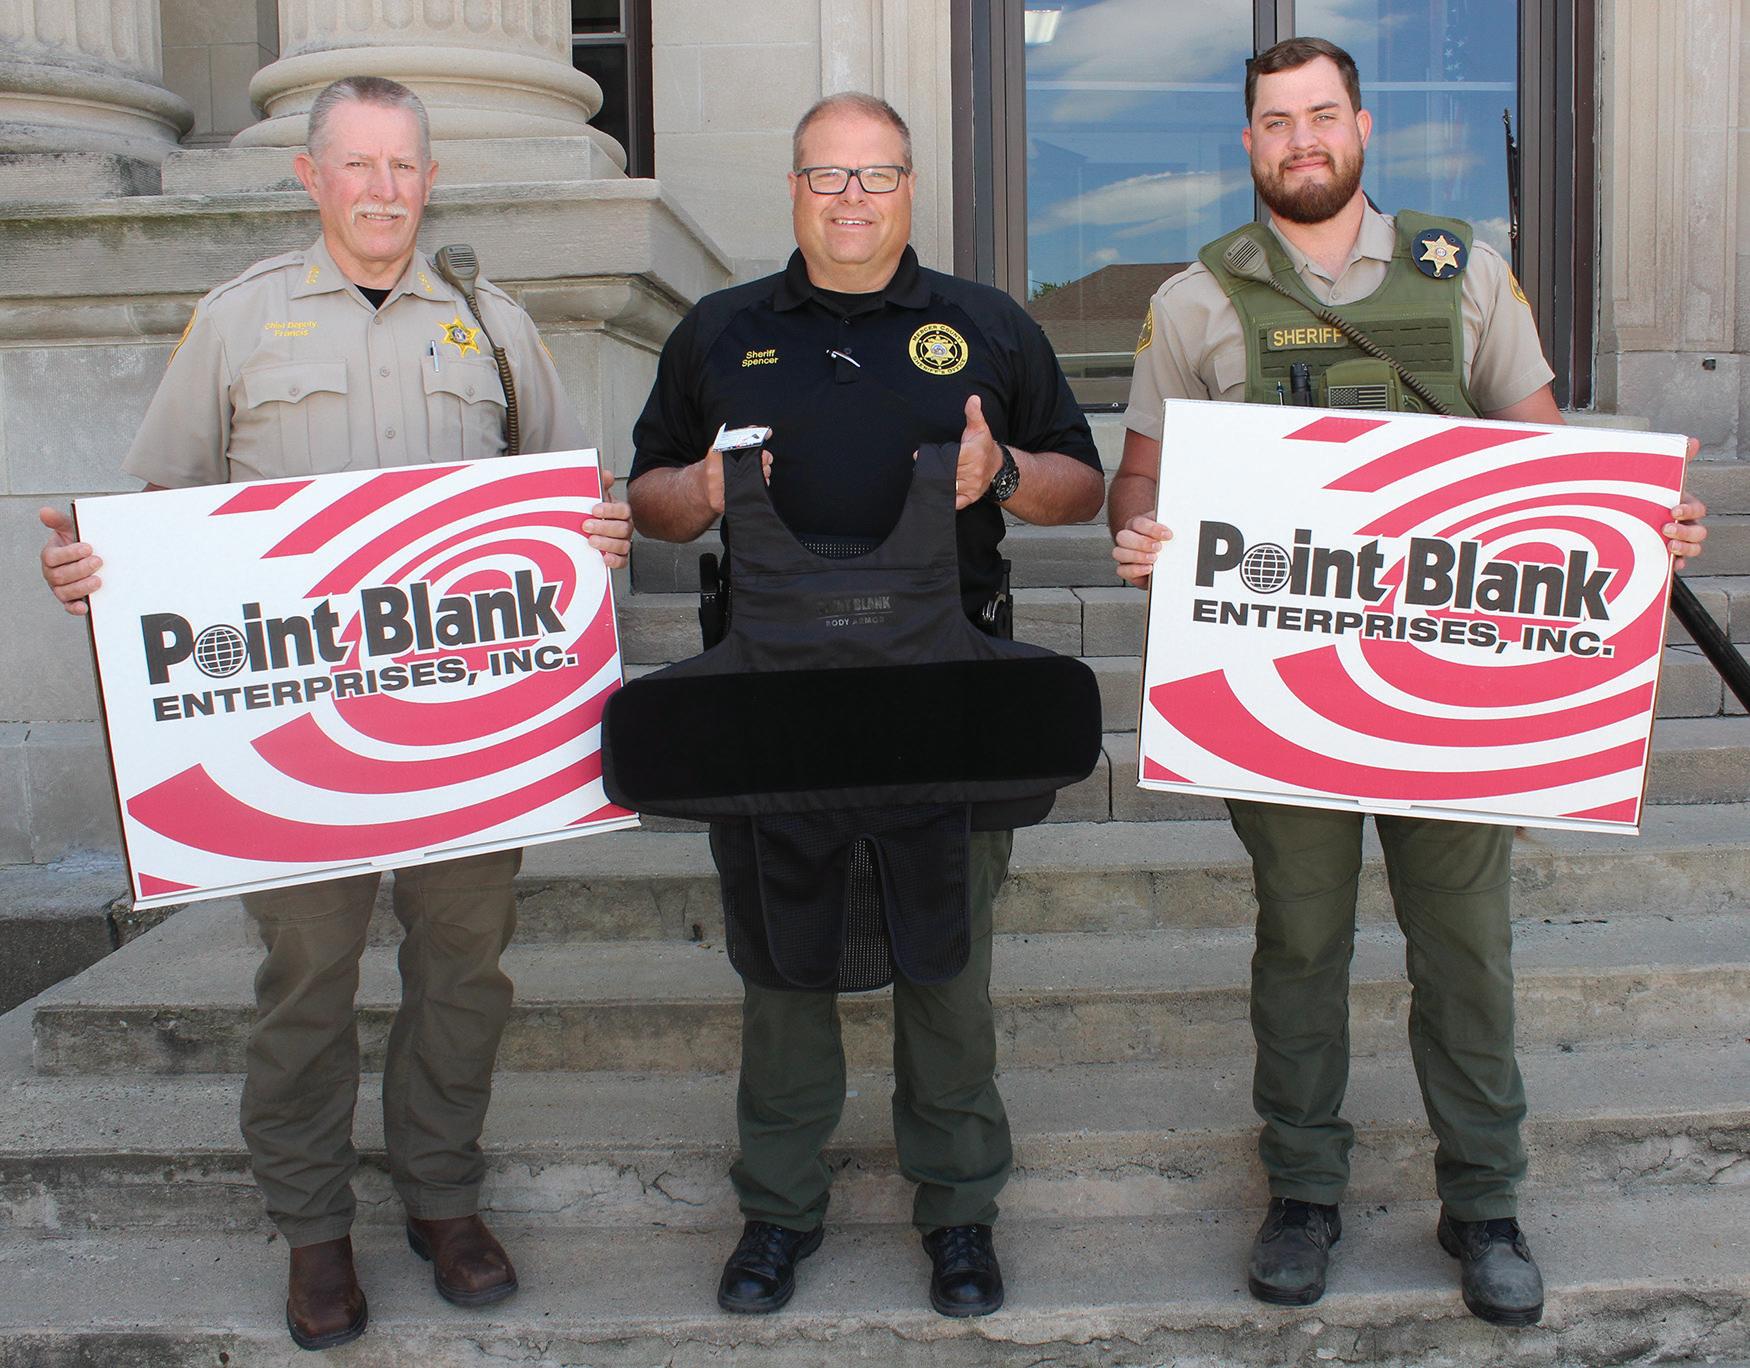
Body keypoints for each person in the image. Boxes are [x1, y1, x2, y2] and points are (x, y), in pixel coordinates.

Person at [1107, 37, 1709, 1328]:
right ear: (1250, 142)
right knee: (1300, 944)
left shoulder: (1462, 273)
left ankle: (1483, 1201)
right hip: (1278, 691)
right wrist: (1141, 534)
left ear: (1362, 128)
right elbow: (1139, 481)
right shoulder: (1196, 301)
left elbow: (1542, 460)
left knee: (1465, 950)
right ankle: (1301, 1192)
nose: (1301, 140)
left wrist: (1630, 523)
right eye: (1277, 121)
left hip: (1451, 695)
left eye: (1322, 115)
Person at [37, 75, 633, 1352]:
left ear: (431, 179)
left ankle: (443, 1198)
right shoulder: (238, 321)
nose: (381, 188)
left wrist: (599, 536)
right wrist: (97, 570)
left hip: (469, 736)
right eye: (357, 164)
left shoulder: (491, 324)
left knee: (463, 971)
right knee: (305, 980)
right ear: (311, 177)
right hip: (294, 739)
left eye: (403, 165)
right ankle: (312, 1228)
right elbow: (160, 520)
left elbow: (570, 503)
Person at [627, 91, 1104, 1319]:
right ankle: (778, 1211)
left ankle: (958, 1211)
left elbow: (1081, 486)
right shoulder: (720, 331)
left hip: (946, 692)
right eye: (828, 176)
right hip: (771, 700)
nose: (852, 199)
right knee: (783, 970)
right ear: (794, 188)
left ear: (909, 187)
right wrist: (700, 488)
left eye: (875, 175)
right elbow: (649, 501)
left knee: (947, 967)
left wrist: (1008, 471)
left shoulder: (986, 326)